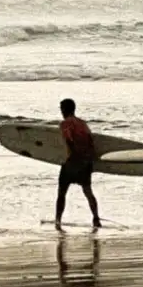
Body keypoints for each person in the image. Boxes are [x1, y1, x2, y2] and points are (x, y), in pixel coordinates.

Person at [54, 98, 100, 229]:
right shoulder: (83, 124)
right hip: (85, 162)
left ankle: (58, 220)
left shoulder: (64, 124)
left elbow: (69, 140)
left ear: (64, 110)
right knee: (88, 191)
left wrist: (69, 158)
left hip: (72, 162)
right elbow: (90, 141)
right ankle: (96, 218)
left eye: (61, 109)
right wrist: (91, 160)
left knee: (62, 192)